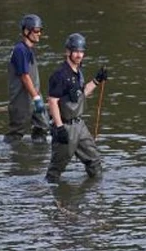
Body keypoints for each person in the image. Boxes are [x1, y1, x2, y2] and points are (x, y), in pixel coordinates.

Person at [44, 32, 108, 184]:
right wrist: (59, 128)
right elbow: (52, 101)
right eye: (76, 51)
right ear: (68, 52)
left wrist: (97, 81)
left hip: (80, 125)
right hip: (65, 126)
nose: (79, 55)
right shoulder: (59, 75)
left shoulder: (78, 72)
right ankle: (50, 196)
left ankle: (96, 190)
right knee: (56, 170)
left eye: (81, 51)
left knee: (94, 160)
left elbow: (82, 93)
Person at [5, 13, 49, 142]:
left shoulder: (29, 50)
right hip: (21, 100)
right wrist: (36, 98)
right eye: (36, 30)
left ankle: (38, 157)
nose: (39, 33)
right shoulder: (20, 50)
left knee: (43, 126)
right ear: (26, 31)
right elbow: (24, 76)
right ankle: (13, 158)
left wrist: (37, 97)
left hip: (33, 98)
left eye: (40, 30)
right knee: (16, 134)